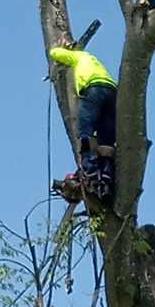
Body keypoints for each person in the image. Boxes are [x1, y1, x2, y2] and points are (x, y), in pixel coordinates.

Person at [49, 41, 117, 201]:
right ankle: (107, 183)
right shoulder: (99, 66)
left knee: (85, 135)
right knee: (106, 140)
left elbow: (54, 53)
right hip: (112, 93)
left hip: (92, 89)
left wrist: (61, 48)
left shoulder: (79, 56)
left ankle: (91, 179)